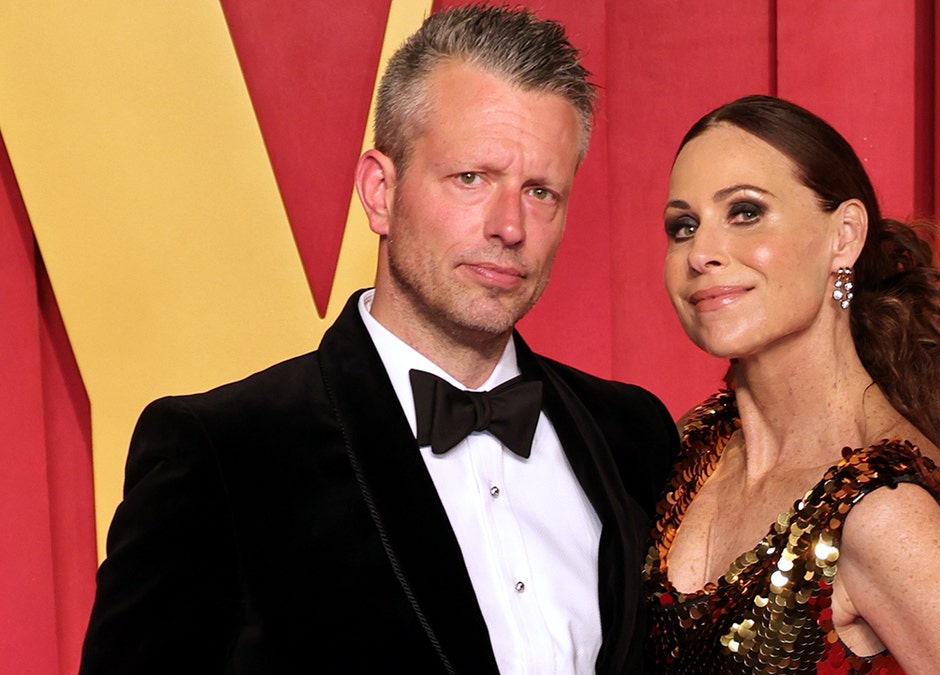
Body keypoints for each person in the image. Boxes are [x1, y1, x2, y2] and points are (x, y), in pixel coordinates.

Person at [79, 5, 679, 674]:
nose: (510, 225)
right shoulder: (219, 453)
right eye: (471, 178)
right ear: (379, 191)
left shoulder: (634, 435)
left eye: (540, 191)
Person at [643, 95, 940, 673]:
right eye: (683, 226)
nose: (701, 253)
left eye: (745, 212)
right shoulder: (693, 444)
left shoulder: (881, 508)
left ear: (844, 236)